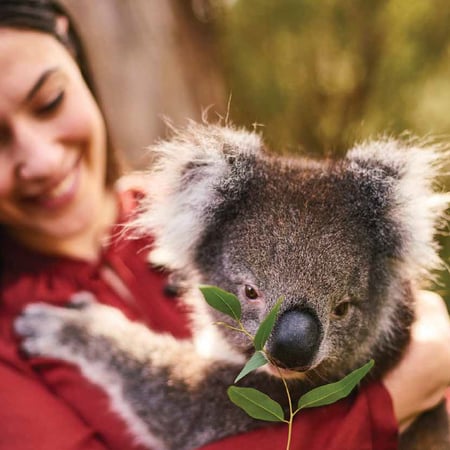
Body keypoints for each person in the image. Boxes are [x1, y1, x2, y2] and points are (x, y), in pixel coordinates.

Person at [0, 1, 448, 449]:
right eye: (251, 293)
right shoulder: (202, 214)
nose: (41, 160)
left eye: (49, 101)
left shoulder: (164, 207)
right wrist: (389, 403)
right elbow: (192, 408)